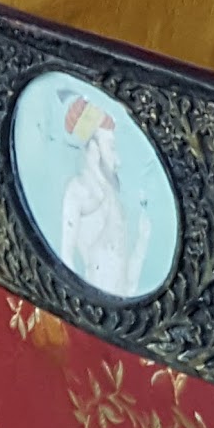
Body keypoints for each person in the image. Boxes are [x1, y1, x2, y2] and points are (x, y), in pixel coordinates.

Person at [59, 96, 151, 294]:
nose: (117, 160)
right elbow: (65, 258)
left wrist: (143, 239)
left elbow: (129, 271)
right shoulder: (78, 191)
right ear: (94, 149)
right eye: (111, 147)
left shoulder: (115, 197)